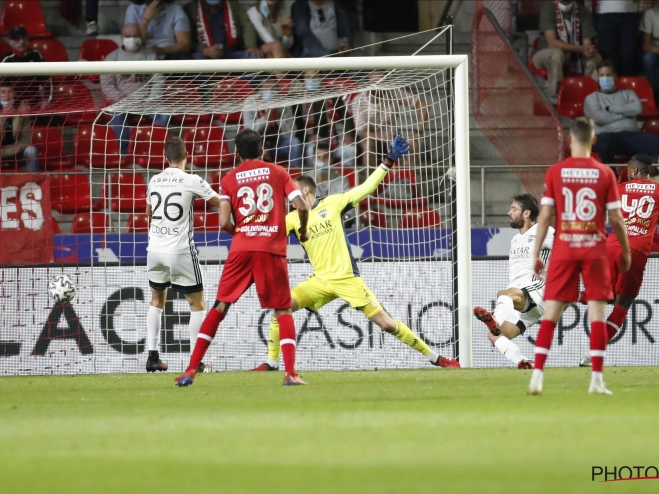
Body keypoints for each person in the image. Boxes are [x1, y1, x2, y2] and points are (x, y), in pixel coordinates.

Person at [251, 136, 461, 372]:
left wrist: (388, 161)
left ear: (306, 190)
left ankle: (436, 358)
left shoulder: (333, 203)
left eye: (292, 193)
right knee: (281, 308)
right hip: (320, 281)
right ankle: (271, 363)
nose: (289, 198)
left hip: (347, 279)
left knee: (387, 325)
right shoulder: (291, 219)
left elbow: (366, 188)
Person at [175, 129, 310, 387]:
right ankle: (290, 373)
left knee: (220, 306)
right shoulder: (278, 172)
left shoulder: (229, 179)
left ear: (237, 154)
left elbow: (224, 220)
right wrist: (302, 230)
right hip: (270, 248)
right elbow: (301, 205)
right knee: (282, 308)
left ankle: (191, 370)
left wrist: (242, 233)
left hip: (241, 248)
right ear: (262, 150)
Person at [527, 117, 630, 396]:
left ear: (570, 141)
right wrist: (626, 251)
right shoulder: (605, 173)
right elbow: (617, 219)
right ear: (594, 141)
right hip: (594, 248)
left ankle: (537, 376)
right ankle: (596, 380)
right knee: (597, 316)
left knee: (550, 314)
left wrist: (537, 253)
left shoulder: (555, 172)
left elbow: (546, 216)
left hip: (564, 248)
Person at [579, 154, 659, 367]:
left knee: (606, 296)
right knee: (623, 304)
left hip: (610, 246)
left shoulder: (617, 188)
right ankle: (593, 354)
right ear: (647, 171)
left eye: (627, 169)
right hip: (635, 250)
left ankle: (567, 295)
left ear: (634, 171)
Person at [145, 137, 221, 373]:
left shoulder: (154, 180)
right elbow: (219, 202)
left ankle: (152, 357)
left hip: (154, 249)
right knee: (197, 304)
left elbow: (148, 212)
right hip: (179, 251)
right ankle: (195, 362)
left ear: (165, 158)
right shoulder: (192, 180)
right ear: (187, 155)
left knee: (157, 301)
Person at [473, 195, 554, 370]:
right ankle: (524, 361)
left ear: (526, 213)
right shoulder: (515, 239)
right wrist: (506, 305)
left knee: (503, 294)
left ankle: (495, 319)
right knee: (496, 336)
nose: (509, 213)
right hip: (521, 300)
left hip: (538, 292)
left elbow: (567, 247)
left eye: (514, 209)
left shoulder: (544, 231)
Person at [585, 60, 659, 164]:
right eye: (602, 75)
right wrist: (626, 114)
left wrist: (610, 108)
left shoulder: (628, 93)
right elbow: (599, 117)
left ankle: (654, 176)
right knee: (603, 143)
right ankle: (611, 176)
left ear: (615, 76)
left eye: (608, 75)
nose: (605, 78)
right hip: (606, 136)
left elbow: (637, 109)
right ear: (598, 78)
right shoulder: (591, 98)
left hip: (631, 135)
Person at [102, 24, 169, 154]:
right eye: (128, 36)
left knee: (164, 113)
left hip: (147, 102)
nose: (131, 39)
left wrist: (152, 99)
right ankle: (124, 153)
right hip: (122, 101)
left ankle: (155, 149)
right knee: (117, 113)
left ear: (140, 37)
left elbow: (158, 79)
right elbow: (107, 84)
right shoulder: (112, 58)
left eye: (135, 36)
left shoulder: (150, 55)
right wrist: (121, 99)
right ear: (122, 37)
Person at [349, 70, 427, 168]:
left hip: (392, 138)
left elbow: (423, 105)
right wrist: (379, 136)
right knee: (367, 144)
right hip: (370, 138)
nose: (378, 87)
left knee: (413, 142)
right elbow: (361, 131)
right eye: (375, 83)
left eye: (382, 83)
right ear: (368, 85)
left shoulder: (393, 93)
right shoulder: (358, 100)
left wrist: (418, 132)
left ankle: (407, 175)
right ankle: (371, 181)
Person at [531, 0, 600, 101]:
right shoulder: (549, 8)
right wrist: (580, 48)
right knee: (556, 54)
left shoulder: (583, 11)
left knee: (594, 57)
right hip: (544, 53)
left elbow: (587, 43)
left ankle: (590, 97)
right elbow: (552, 43)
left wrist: (588, 49)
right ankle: (555, 99)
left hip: (575, 54)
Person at [243, 76, 303, 167]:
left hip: (277, 144)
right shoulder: (250, 102)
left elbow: (292, 133)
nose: (270, 91)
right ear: (260, 89)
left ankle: (295, 174)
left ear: (277, 89)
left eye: (273, 88)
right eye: (266, 88)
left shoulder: (284, 103)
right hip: (256, 145)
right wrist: (266, 117)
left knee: (295, 142)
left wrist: (279, 117)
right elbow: (249, 131)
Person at [184, 0, 264, 60]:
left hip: (232, 52)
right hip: (205, 54)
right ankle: (206, 83)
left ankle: (252, 82)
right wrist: (203, 49)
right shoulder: (190, 8)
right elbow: (185, 40)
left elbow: (246, 25)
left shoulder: (233, 4)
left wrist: (250, 45)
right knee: (197, 59)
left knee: (252, 56)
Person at [1, 27, 52, 110]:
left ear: (27, 39)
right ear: (10, 42)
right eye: (17, 39)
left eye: (23, 38)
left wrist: (46, 100)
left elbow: (47, 80)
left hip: (36, 101)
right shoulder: (6, 60)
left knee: (55, 120)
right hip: (14, 103)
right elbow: (2, 87)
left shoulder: (36, 55)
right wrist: (7, 105)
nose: (21, 42)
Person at [125, 0, 191, 59]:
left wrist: (161, 50)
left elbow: (185, 44)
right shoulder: (133, 9)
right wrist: (146, 19)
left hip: (168, 54)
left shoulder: (176, 10)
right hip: (141, 53)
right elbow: (133, 43)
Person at [595, 0, 640, 76]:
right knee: (608, 55)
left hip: (629, 14)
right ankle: (609, 85)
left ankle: (627, 85)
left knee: (628, 55)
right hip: (605, 13)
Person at [0, 84, 37, 172]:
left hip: (16, 151)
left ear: (15, 94)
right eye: (3, 92)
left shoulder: (22, 115)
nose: (7, 96)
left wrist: (5, 152)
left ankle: (33, 182)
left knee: (31, 150)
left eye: (10, 92)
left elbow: (26, 140)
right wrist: (3, 118)